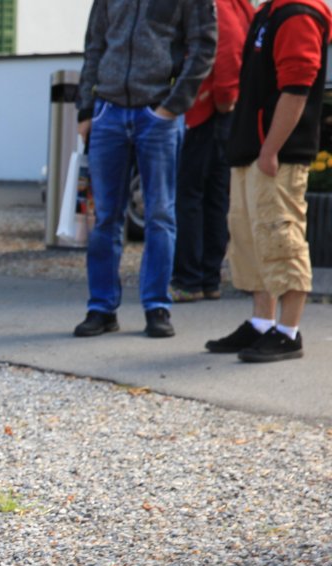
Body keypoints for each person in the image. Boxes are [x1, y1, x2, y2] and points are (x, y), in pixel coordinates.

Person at [74, 0, 216, 340]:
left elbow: (204, 46)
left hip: (158, 113)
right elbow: (94, 45)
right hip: (109, 111)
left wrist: (172, 106)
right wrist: (86, 109)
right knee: (105, 217)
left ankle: (156, 306)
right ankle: (101, 308)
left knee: (160, 215)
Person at [205, 0, 330, 363]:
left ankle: (289, 332)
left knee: (281, 238)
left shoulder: (298, 13)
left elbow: (297, 88)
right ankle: (262, 323)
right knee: (250, 239)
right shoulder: (268, 12)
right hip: (252, 150)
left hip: (277, 154)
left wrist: (271, 149)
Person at [171, 0, 254, 305]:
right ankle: (208, 278)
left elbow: (228, 49)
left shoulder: (216, 5)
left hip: (206, 110)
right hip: (218, 110)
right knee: (215, 196)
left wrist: (224, 97)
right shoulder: (236, 4)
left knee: (192, 195)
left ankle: (190, 279)